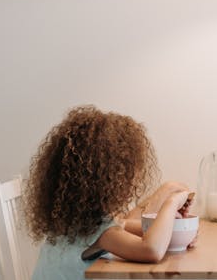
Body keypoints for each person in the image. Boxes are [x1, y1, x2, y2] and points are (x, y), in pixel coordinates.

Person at [25, 105, 195, 280]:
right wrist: (171, 203)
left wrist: (171, 228)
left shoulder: (77, 221)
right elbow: (151, 249)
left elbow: (127, 224)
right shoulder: (100, 232)